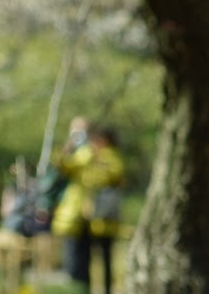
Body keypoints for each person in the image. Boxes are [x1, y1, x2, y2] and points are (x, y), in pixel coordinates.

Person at [52, 124, 127, 294]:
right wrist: (65, 151)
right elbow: (66, 167)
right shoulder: (85, 153)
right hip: (83, 218)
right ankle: (81, 289)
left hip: (104, 220)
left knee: (105, 259)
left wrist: (98, 162)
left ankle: (107, 290)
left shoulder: (112, 156)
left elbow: (113, 176)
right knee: (81, 259)